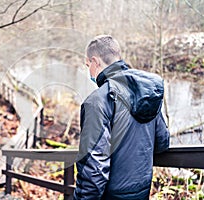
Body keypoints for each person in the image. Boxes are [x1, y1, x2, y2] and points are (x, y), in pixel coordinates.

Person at [73, 35, 170, 200]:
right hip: (142, 191)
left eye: (88, 65)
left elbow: (94, 169)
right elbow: (162, 142)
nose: (88, 70)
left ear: (95, 62)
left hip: (111, 195)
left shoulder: (97, 101)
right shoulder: (148, 92)